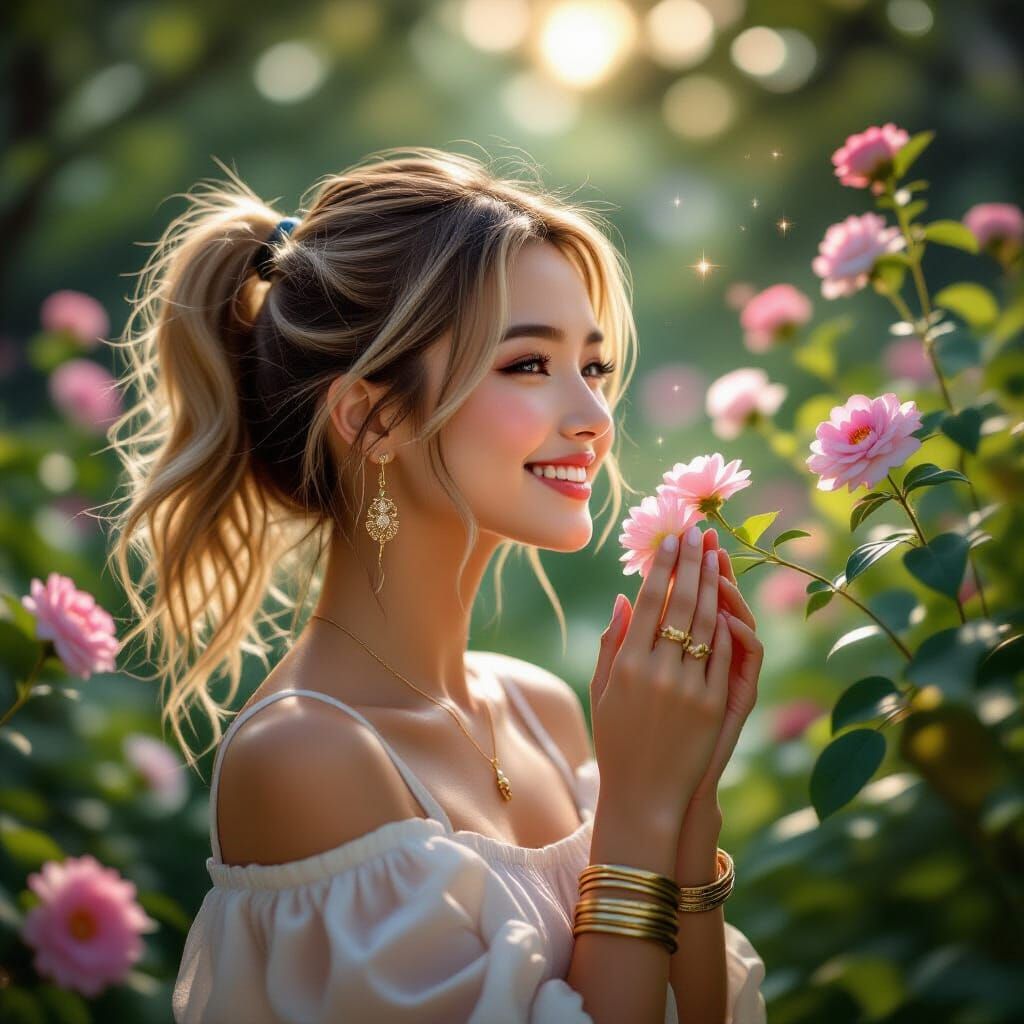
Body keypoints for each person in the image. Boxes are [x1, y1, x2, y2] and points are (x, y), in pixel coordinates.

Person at [106, 146, 768, 1022]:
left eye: (594, 366)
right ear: (373, 416)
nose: (595, 419)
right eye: (529, 364)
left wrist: (689, 801)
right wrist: (641, 803)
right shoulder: (307, 758)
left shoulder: (542, 709)